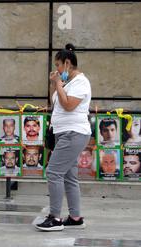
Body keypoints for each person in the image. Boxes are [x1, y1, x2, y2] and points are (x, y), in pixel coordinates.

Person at [36, 44, 92, 231]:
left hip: (73, 132)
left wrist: (58, 83)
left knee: (54, 172)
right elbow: (57, 104)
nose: (56, 70)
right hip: (63, 133)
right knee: (68, 176)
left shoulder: (81, 83)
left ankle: (55, 218)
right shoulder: (68, 83)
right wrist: (57, 84)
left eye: (58, 65)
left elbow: (68, 105)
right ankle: (75, 217)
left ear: (68, 64)